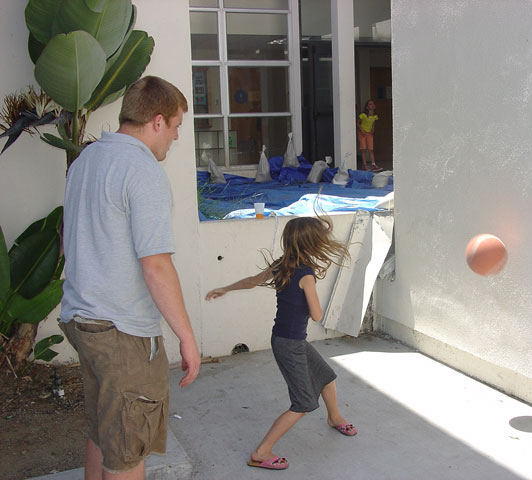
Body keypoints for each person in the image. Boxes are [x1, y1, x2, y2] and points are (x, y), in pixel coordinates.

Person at [59, 76, 201, 480]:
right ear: (157, 121)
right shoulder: (142, 169)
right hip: (123, 332)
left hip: (84, 322)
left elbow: (69, 242)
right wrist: (187, 338)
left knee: (105, 433)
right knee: (129, 450)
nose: (175, 138)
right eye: (175, 126)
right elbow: (155, 265)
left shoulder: (86, 160)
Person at [205, 217, 357, 471]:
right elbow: (317, 315)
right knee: (304, 403)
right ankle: (260, 452)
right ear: (311, 245)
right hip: (290, 344)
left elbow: (251, 281)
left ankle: (334, 417)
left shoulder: (282, 264)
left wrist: (225, 288)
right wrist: (311, 295)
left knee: (326, 376)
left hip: (287, 339)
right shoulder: (306, 275)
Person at [357, 99, 381, 172]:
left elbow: (374, 122)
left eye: (373, 104)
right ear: (367, 107)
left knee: (371, 149)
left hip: (369, 133)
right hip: (362, 133)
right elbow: (357, 122)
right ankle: (365, 166)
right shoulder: (363, 115)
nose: (372, 105)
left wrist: (373, 128)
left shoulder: (375, 116)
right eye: (370, 104)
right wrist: (361, 130)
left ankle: (373, 165)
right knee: (363, 149)